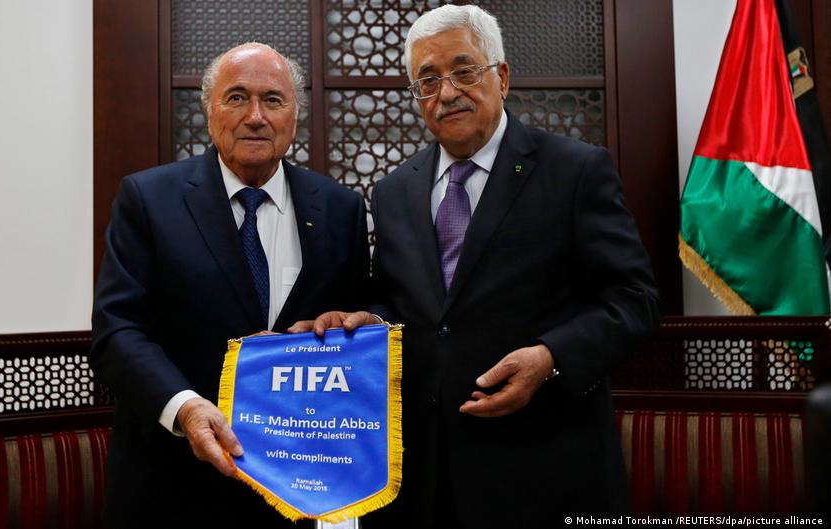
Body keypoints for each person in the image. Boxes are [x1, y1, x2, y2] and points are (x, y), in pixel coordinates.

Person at [290, 5, 660, 527]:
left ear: (501, 76)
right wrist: (367, 321)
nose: (447, 93)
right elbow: (400, 302)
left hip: (545, 466)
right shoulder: (394, 190)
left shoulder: (575, 171)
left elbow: (635, 300)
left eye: (464, 71)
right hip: (424, 477)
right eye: (428, 80)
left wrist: (550, 357)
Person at [90, 43, 369, 528]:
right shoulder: (149, 198)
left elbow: (363, 316)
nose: (255, 116)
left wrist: (352, 324)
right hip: (174, 482)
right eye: (236, 97)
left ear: (295, 115)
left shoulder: (340, 208)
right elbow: (117, 331)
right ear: (209, 110)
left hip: (299, 487)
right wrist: (186, 408)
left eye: (273, 100)